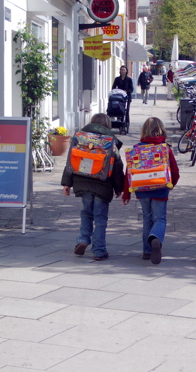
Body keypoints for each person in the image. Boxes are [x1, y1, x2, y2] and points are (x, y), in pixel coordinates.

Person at [61, 113, 125, 261]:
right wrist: (118, 187)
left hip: (82, 183)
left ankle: (82, 240)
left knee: (86, 213)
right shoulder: (110, 142)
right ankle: (99, 250)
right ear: (107, 125)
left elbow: (71, 161)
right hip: (102, 186)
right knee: (100, 218)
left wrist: (67, 184)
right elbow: (117, 167)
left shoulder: (80, 139)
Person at [122, 117, 180, 264]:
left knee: (147, 218)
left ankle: (147, 251)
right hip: (160, 188)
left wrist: (126, 193)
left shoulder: (136, 149)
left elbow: (128, 172)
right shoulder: (165, 148)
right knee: (159, 218)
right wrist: (170, 185)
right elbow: (175, 171)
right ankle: (155, 237)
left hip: (141, 189)